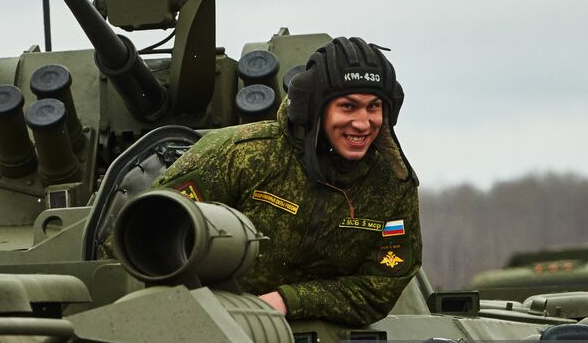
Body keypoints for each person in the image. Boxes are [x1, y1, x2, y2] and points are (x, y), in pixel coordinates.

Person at [149, 36, 420, 325]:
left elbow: (377, 291)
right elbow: (148, 230)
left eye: (373, 107)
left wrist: (288, 300)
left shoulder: (391, 185)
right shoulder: (242, 154)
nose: (363, 123)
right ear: (315, 107)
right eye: (348, 107)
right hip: (204, 325)